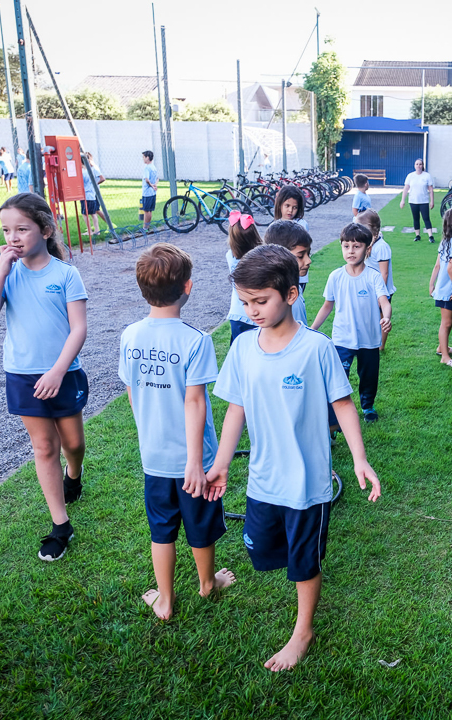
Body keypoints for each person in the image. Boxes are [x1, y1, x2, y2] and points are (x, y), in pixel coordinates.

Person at [208, 243, 382, 671]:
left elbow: (343, 405)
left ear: (290, 294)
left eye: (260, 301)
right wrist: (222, 464)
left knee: (304, 563)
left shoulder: (316, 348)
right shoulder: (243, 348)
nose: (252, 311)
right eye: (245, 302)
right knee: (262, 549)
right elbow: (235, 409)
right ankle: (293, 582)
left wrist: (359, 459)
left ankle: (303, 631)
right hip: (263, 480)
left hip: (307, 483)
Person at [119, 243, 236, 621]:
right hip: (193, 462)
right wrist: (194, 463)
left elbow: (133, 391)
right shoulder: (195, 339)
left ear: (142, 289)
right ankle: (207, 584)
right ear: (188, 287)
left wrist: (149, 432)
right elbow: (195, 402)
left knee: (162, 529)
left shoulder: (130, 335)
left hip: (154, 457)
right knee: (200, 525)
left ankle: (166, 601)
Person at [0, 193, 88, 562]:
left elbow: (78, 329)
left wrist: (57, 371)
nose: (13, 237)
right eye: (6, 230)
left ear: (46, 230)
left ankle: (74, 475)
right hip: (22, 375)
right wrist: (0, 272)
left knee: (73, 443)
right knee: (44, 447)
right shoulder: (6, 275)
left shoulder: (65, 274)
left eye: (22, 229)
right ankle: (60, 525)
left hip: (63, 373)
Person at [311, 222, 392, 423]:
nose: (351, 251)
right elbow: (327, 306)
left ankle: (368, 407)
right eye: (346, 246)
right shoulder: (335, 276)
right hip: (342, 339)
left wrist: (386, 317)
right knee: (339, 379)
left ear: (367, 248)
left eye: (357, 246)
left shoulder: (373, 277)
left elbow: (384, 301)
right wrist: (312, 329)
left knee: (369, 377)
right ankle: (335, 418)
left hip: (369, 340)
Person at [429, 208, 452, 369]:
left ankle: (441, 347)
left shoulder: (446, 241)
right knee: (445, 323)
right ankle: (444, 356)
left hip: (444, 289)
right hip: (449, 290)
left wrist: (432, 284)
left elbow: (437, 266)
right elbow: (450, 268)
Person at [264, 219, 313, 327]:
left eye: (308, 254)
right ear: (277, 257)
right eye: (300, 256)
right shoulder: (280, 297)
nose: (308, 261)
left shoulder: (294, 286)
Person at [359, 210, 396, 351]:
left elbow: (384, 273)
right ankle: (369, 341)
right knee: (370, 317)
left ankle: (381, 346)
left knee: (382, 318)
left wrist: (381, 296)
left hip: (382, 291)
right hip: (370, 289)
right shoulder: (369, 244)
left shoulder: (381, 247)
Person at [225, 211, 263, 346]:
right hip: (257, 313)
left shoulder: (230, 256)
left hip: (237, 313)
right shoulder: (261, 259)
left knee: (239, 350)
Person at [399, 159, 434, 243]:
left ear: (422, 166)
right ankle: (417, 235)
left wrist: (432, 201)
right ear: (414, 166)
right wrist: (402, 200)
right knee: (416, 218)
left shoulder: (427, 176)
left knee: (426, 218)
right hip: (413, 201)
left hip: (424, 201)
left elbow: (431, 189)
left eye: (420, 164)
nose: (418, 166)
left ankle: (430, 236)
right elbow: (406, 188)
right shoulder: (410, 176)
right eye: (417, 164)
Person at [80, 152, 109, 238]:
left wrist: (94, 185)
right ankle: (97, 230)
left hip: (88, 193)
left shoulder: (87, 170)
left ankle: (91, 230)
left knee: (86, 213)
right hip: (91, 193)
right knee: (94, 211)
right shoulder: (88, 169)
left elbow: (102, 178)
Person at [141, 150, 159, 231]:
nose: (143, 159)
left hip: (147, 193)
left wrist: (151, 185)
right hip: (153, 192)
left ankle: (145, 228)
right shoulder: (153, 167)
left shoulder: (147, 168)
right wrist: (155, 185)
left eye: (144, 157)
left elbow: (147, 179)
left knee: (146, 210)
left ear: (147, 157)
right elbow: (157, 178)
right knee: (150, 210)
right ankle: (147, 227)